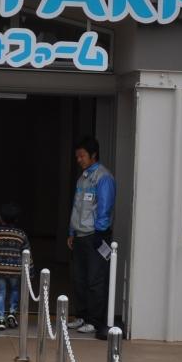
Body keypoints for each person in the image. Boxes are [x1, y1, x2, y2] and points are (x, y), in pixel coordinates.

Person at [67, 135, 116, 340]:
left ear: (93, 155)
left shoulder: (103, 178)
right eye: (77, 156)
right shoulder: (82, 178)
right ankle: (81, 315)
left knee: (95, 279)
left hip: (95, 236)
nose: (79, 160)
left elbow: (104, 208)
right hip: (79, 234)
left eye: (82, 156)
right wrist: (71, 232)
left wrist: (99, 232)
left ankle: (94, 320)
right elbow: (77, 207)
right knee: (79, 277)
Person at [0, 203, 30, 331]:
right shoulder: (21, 234)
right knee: (15, 290)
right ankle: (12, 313)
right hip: (15, 269)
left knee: (0, 292)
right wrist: (30, 271)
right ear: (16, 220)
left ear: (0, 218)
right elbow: (27, 254)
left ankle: (0, 319)